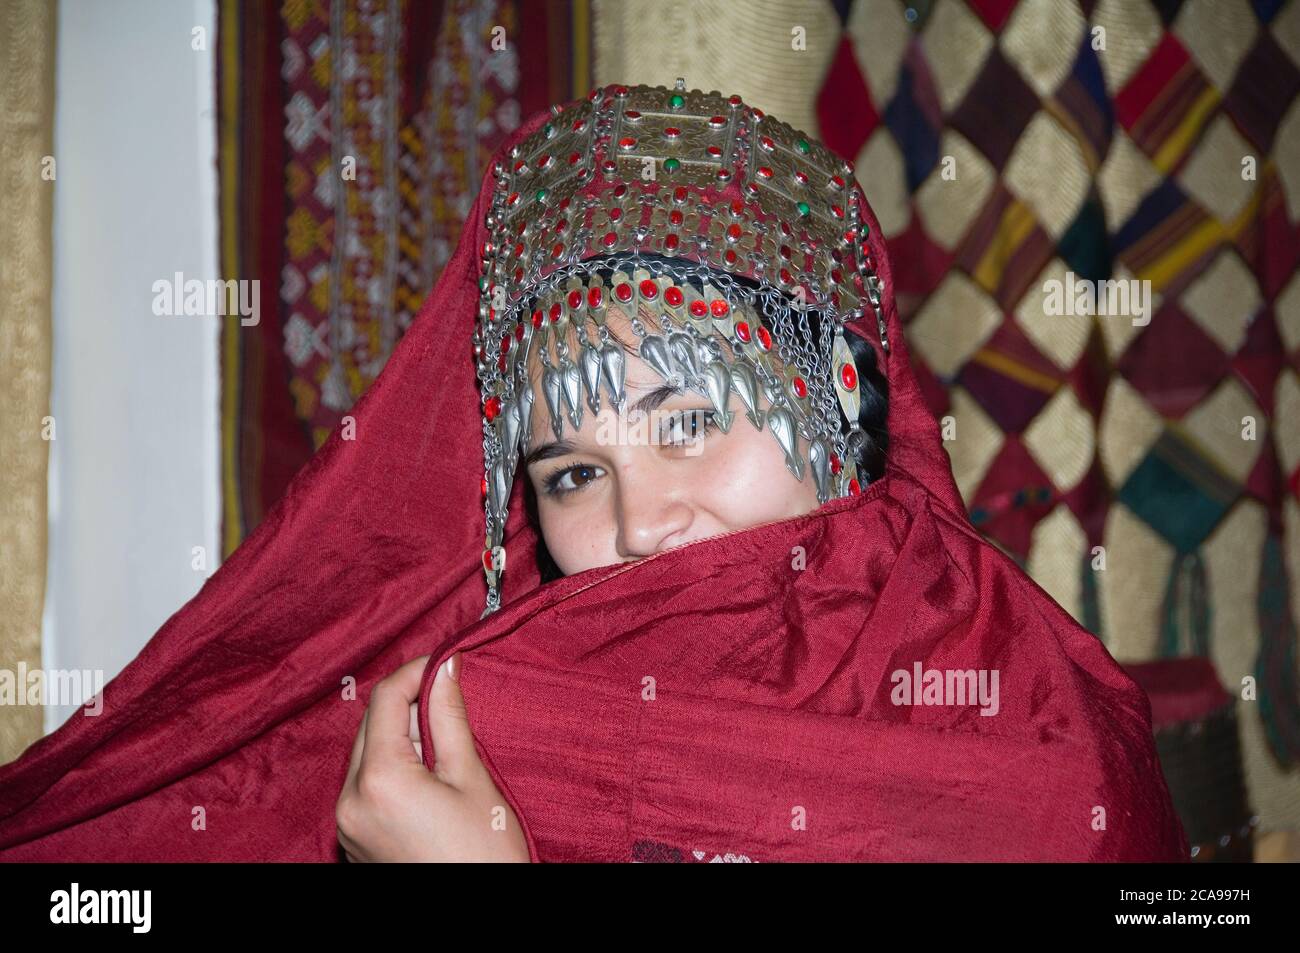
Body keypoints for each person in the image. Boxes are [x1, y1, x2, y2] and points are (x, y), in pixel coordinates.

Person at [0, 81, 1188, 863]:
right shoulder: (469, 734)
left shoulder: (1034, 744)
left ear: (838, 394)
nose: (641, 522)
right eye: (570, 471)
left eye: (689, 420)